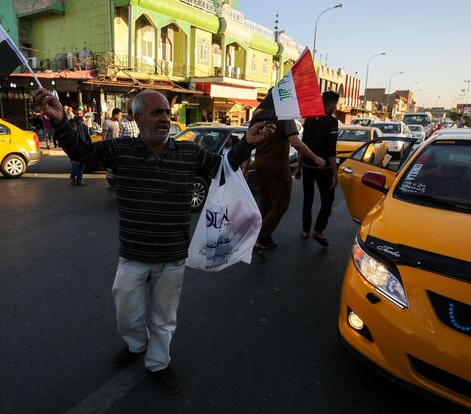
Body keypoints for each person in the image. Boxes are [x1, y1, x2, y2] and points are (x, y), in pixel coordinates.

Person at [34, 88, 274, 395]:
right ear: (136, 118)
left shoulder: (188, 153)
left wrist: (247, 145)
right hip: (133, 256)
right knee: (126, 314)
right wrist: (61, 121)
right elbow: (84, 154)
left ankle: (159, 362)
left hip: (173, 258)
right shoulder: (121, 150)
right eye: (156, 112)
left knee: (165, 319)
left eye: (166, 112)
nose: (164, 118)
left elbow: (221, 170)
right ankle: (136, 345)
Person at [253, 120, 325, 254]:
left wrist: (245, 164)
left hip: (259, 163)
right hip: (276, 167)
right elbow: (295, 142)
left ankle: (265, 240)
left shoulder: (259, 113)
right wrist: (315, 158)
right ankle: (260, 237)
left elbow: (250, 140)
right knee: (281, 203)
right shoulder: (285, 115)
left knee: (266, 203)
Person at [300, 91, 340, 247]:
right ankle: (318, 230)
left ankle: (305, 230)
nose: (336, 107)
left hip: (307, 166)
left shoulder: (309, 120)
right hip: (324, 169)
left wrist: (298, 168)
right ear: (329, 103)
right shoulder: (332, 122)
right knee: (327, 201)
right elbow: (331, 150)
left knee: (307, 199)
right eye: (335, 104)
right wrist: (335, 174)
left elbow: (302, 145)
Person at [69, 108, 90, 186]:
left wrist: (89, 144)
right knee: (75, 163)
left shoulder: (83, 124)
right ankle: (73, 176)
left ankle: (79, 180)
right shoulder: (70, 123)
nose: (79, 115)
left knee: (82, 164)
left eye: (81, 114)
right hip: (73, 147)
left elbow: (87, 135)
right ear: (74, 113)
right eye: (78, 113)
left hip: (83, 147)